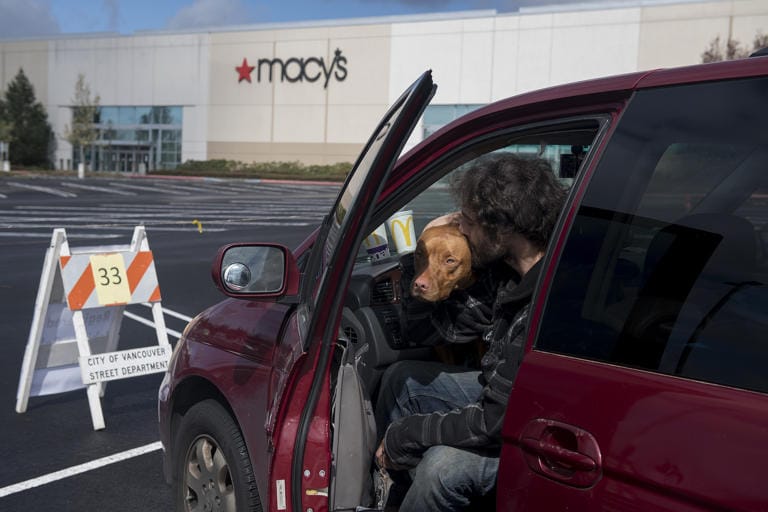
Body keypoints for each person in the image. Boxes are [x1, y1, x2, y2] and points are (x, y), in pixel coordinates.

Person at [374, 152, 567, 510]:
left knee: (441, 467)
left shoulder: (539, 303)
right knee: (406, 379)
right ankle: (398, 495)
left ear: (503, 227)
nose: (460, 228)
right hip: (506, 399)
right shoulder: (506, 274)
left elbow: (494, 422)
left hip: (540, 431)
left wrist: (406, 435)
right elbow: (431, 330)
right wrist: (422, 252)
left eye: (469, 221)